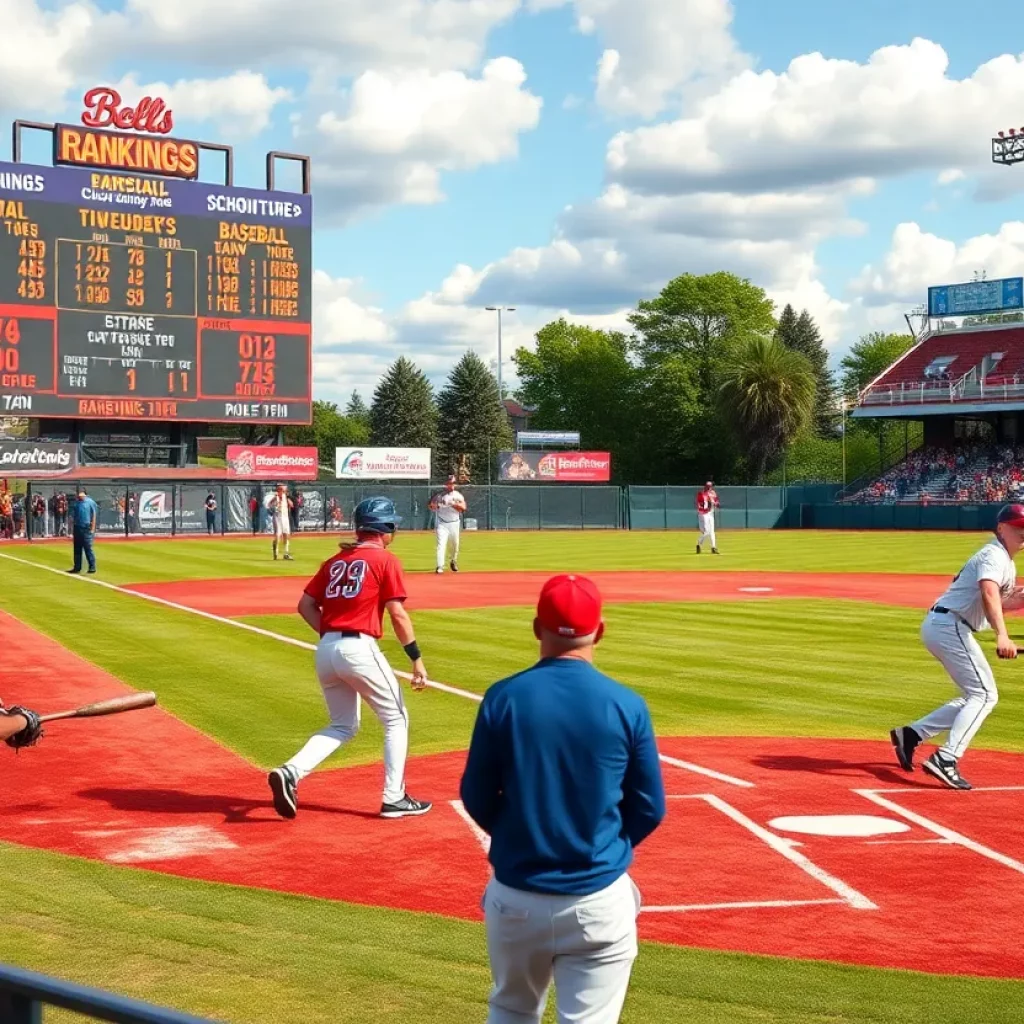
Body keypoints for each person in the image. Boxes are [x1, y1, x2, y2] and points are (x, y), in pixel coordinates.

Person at [460, 573, 666, 1024]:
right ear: (601, 631)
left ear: (537, 628)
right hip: (598, 896)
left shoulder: (503, 698)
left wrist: (521, 834)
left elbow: (475, 795)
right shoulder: (626, 703)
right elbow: (649, 807)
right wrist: (604, 847)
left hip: (517, 894)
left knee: (511, 1009)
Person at [268, 496, 432, 820]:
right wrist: (416, 658)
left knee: (342, 725)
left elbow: (305, 606)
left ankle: (291, 771)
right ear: (385, 528)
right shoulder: (386, 560)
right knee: (396, 719)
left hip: (326, 650)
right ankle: (394, 797)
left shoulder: (334, 561)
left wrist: (330, 634)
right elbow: (397, 614)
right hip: (359, 647)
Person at [891, 503, 1024, 790]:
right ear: (1001, 528)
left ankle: (912, 734)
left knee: (974, 696)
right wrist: (1002, 635)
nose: (1022, 533)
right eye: (1017, 527)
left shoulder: (1006, 562)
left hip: (946, 625)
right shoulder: (994, 555)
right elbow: (989, 592)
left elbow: (1001, 601)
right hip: (949, 625)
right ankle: (946, 759)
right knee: (985, 695)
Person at [429, 474, 466, 574]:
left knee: (455, 545)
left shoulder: (458, 495)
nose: (451, 485)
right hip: (442, 523)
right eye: (449, 483)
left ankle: (453, 561)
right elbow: (431, 506)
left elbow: (463, 508)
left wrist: (453, 504)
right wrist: (437, 505)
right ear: (446, 484)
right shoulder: (439, 496)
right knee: (441, 544)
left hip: (454, 523)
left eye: (453, 483)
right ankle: (440, 566)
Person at [68, 488, 98, 574]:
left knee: (88, 548)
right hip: (77, 527)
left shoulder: (90, 502)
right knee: (77, 549)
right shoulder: (76, 503)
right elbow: (72, 516)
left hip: (86, 528)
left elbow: (94, 515)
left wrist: (92, 528)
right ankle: (77, 567)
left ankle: (92, 566)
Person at [268, 483, 293, 561]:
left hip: (285, 517)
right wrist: (275, 505)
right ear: (279, 490)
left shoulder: (286, 497)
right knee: (277, 535)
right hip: (278, 517)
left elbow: (292, 505)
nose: (284, 492)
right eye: (283, 490)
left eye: (285, 490)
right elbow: (269, 504)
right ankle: (276, 551)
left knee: (286, 534)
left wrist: (289, 502)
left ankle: (286, 553)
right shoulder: (275, 498)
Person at [695, 480, 720, 555]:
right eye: (707, 486)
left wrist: (716, 503)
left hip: (711, 514)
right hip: (704, 514)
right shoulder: (701, 494)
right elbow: (699, 505)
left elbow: (717, 502)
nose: (709, 487)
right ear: (705, 486)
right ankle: (698, 544)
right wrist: (706, 506)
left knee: (712, 531)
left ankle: (713, 547)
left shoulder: (713, 493)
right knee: (706, 532)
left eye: (710, 486)